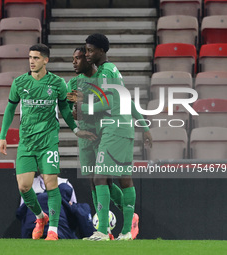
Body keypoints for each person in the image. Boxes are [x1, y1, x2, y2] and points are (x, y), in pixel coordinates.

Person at [0, 44, 96, 241]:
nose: (31, 61)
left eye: (35, 58)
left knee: (51, 184)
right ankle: (39, 217)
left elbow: (65, 111)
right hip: (26, 142)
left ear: (45, 60)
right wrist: (3, 136)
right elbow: (10, 109)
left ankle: (52, 229)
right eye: (30, 58)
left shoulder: (57, 83)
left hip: (48, 142)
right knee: (24, 187)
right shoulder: (19, 83)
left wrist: (76, 129)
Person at [73, 34, 152, 241]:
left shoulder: (106, 72)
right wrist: (143, 125)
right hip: (123, 127)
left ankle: (102, 231)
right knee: (123, 178)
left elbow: (108, 102)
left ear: (101, 51)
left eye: (90, 50)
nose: (87, 54)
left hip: (114, 128)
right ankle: (126, 231)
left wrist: (84, 109)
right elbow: (125, 98)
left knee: (100, 177)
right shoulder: (113, 70)